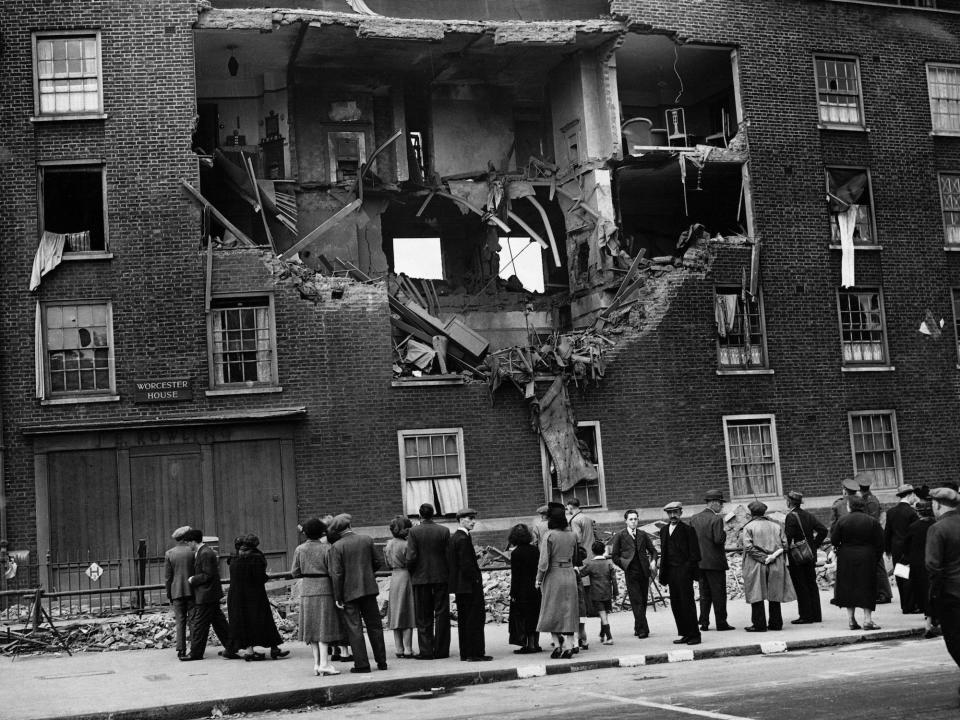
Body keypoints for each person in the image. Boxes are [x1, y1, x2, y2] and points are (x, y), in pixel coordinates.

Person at [327, 514, 388, 673]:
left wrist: (338, 596)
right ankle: (382, 662)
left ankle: (362, 664)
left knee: (355, 629)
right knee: (375, 627)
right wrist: (368, 574)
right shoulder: (367, 540)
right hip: (368, 589)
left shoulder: (337, 547)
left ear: (337, 530)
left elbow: (337, 574)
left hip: (349, 593)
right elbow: (378, 562)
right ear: (350, 526)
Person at [291, 518, 341, 676]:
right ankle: (325, 664)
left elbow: (295, 572)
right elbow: (334, 572)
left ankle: (317, 664)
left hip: (307, 589)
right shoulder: (327, 548)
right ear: (321, 532)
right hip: (325, 588)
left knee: (312, 626)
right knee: (324, 626)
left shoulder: (300, 549)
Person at [227, 534, 288, 661]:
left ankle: (249, 651)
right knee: (265, 621)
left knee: (244, 622)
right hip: (255, 596)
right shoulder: (255, 559)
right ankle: (274, 648)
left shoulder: (233, 559)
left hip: (236, 596)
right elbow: (260, 578)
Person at [181, 530, 237, 661]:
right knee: (219, 623)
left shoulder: (205, 553)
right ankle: (232, 647)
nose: (188, 546)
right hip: (210, 594)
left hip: (206, 595)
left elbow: (208, 574)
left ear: (193, 541)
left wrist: (193, 579)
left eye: (188, 542)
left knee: (200, 625)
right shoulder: (204, 551)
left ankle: (196, 653)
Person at [740, 501, 795, 632]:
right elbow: (785, 545)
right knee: (774, 593)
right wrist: (772, 556)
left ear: (751, 513)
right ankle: (776, 624)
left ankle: (759, 624)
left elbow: (748, 547)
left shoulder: (748, 527)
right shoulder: (776, 526)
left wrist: (764, 558)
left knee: (756, 593)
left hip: (755, 564)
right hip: (776, 562)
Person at [831, 495, 884, 630]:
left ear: (849, 506)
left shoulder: (842, 521)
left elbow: (834, 540)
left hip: (846, 557)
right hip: (867, 556)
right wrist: (875, 557)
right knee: (867, 587)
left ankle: (851, 620)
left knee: (849, 587)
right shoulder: (872, 521)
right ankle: (867, 620)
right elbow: (880, 542)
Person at [406, 503, 451, 660]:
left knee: (423, 616)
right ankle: (441, 650)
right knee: (442, 614)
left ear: (420, 514)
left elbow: (411, 556)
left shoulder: (414, 531)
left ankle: (426, 651)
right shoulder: (444, 531)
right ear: (434, 514)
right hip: (441, 576)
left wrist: (412, 571)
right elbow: (448, 556)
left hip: (421, 577)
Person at [926, 486, 960, 691]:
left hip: (952, 595)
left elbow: (932, 566)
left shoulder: (937, 529)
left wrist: (932, 602)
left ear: (937, 505)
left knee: (955, 640)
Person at [535, 505, 580, 658]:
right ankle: (569, 644)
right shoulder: (573, 535)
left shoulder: (549, 535)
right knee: (569, 610)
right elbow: (576, 558)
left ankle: (557, 645)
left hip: (553, 574)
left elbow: (543, 562)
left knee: (551, 610)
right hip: (569, 573)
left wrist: (538, 579)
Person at [448, 508, 491, 661]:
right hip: (469, 586)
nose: (473, 521)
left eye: (474, 518)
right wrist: (476, 580)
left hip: (461, 586)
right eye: (470, 518)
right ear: (460, 520)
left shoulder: (457, 537)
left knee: (465, 619)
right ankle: (475, 653)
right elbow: (466, 565)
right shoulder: (463, 539)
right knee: (474, 619)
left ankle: (466, 652)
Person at [688, 489, 734, 632]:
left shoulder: (694, 518)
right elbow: (718, 540)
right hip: (715, 563)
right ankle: (721, 622)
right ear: (714, 503)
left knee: (704, 594)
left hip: (700, 563)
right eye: (720, 503)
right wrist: (725, 533)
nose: (721, 507)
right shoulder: (716, 519)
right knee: (719, 594)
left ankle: (704, 622)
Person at [658, 501, 702, 645]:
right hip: (671, 573)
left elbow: (695, 554)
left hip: (684, 573)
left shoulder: (688, 530)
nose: (672, 515)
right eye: (670, 513)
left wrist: (687, 570)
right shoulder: (664, 531)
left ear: (681, 513)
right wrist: (663, 573)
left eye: (675, 512)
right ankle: (684, 633)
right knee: (676, 604)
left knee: (687, 603)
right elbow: (664, 553)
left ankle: (694, 635)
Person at [610, 508, 658, 638]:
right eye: (630, 519)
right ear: (626, 521)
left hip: (644, 571)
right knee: (636, 600)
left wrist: (653, 561)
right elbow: (614, 556)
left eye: (635, 519)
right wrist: (625, 565)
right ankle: (643, 630)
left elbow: (653, 551)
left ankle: (638, 627)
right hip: (631, 571)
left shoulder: (642, 534)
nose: (633, 522)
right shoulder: (620, 535)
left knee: (642, 601)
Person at [784, 491, 828, 624]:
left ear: (789, 502)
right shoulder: (808, 515)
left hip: (797, 556)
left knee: (801, 585)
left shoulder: (791, 516)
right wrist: (814, 545)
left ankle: (805, 615)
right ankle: (816, 615)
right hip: (810, 554)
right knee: (811, 584)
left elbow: (788, 537)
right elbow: (823, 530)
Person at [384, 515, 416, 659]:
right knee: (407, 613)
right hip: (405, 576)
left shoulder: (388, 545)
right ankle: (408, 649)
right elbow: (412, 562)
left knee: (396, 613)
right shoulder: (406, 544)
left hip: (394, 577)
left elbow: (387, 564)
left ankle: (399, 648)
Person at [506, 523, 541, 654]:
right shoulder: (535, 550)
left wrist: (512, 593)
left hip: (522, 590)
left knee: (523, 617)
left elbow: (516, 576)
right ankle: (535, 643)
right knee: (534, 615)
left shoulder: (516, 553)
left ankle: (529, 645)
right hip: (535, 588)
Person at [885, 483, 920, 614]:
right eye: (914, 495)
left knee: (901, 577)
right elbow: (914, 533)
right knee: (910, 578)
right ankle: (911, 606)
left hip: (896, 549)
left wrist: (887, 549)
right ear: (910, 495)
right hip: (909, 550)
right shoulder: (912, 512)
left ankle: (904, 604)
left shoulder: (891, 512)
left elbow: (887, 532)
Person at [905, 500, 937, 637]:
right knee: (934, 589)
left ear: (918, 513)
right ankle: (934, 616)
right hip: (934, 561)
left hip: (918, 563)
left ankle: (928, 614)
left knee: (922, 590)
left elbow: (906, 546)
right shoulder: (936, 525)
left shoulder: (913, 527)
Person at [164, 525, 195, 659]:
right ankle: (194, 648)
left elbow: (168, 577)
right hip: (192, 590)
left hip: (176, 591)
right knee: (193, 621)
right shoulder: (193, 551)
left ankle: (181, 649)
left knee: (180, 621)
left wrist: (169, 593)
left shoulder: (170, 553)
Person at [581, 539, 618, 645]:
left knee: (603, 615)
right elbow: (614, 579)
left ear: (592, 552)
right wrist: (615, 593)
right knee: (605, 614)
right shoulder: (608, 563)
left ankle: (609, 637)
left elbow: (581, 574)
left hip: (596, 593)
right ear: (603, 551)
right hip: (607, 592)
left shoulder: (591, 564)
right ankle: (602, 634)